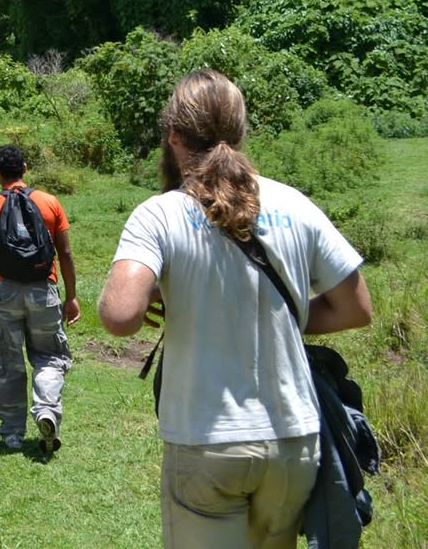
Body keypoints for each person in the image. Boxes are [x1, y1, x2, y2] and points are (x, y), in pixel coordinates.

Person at [98, 69, 373, 549]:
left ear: (174, 136)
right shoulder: (294, 204)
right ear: (240, 132)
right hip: (295, 440)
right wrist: (280, 319)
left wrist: (168, 297)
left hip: (209, 440)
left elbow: (120, 314)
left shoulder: (159, 213)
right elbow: (355, 309)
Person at [0, 144, 79, 452]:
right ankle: (46, 410)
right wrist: (71, 297)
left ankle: (13, 434)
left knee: (8, 363)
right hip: (44, 290)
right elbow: (66, 253)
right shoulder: (49, 202)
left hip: (5, 294)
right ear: (25, 169)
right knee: (50, 356)